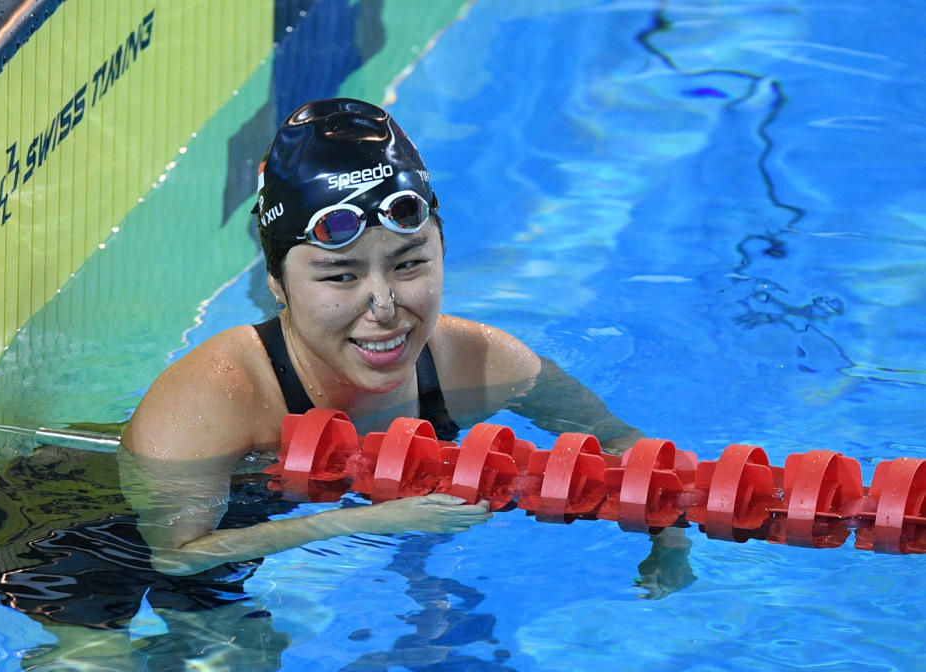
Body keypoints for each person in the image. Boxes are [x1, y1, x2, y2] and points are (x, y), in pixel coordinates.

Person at [121, 97, 654, 577]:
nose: (385, 307)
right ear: (276, 285)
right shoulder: (211, 401)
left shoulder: (486, 363)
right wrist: (369, 520)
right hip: (95, 538)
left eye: (409, 264)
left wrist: (667, 534)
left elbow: (621, 442)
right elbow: (175, 554)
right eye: (341, 276)